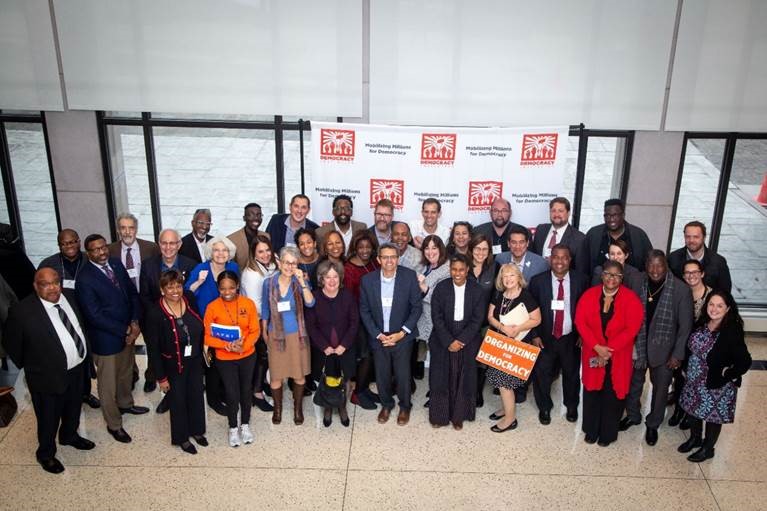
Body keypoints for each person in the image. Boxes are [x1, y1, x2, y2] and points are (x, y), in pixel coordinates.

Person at [4, 268, 95, 474]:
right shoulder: (22, 312)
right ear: (36, 286)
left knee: (73, 408)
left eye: (56, 282)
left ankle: (69, 436)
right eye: (46, 284)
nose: (53, 288)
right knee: (48, 418)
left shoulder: (69, 297)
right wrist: (34, 366)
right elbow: (12, 344)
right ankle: (45, 454)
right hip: (46, 377)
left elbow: (80, 326)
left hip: (77, 369)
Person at [76, 234, 147, 443]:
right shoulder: (84, 278)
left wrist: (135, 322)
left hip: (128, 333)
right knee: (107, 385)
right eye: (95, 249)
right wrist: (125, 330)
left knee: (125, 373)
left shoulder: (115, 263)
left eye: (103, 247)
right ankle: (114, 424)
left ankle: (126, 404)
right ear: (88, 253)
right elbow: (94, 315)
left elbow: (132, 294)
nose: (101, 252)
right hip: (106, 340)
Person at [620, 250, 693, 446]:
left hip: (665, 349)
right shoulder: (636, 281)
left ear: (666, 266)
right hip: (638, 344)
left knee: (661, 390)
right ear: (645, 266)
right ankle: (633, 415)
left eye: (659, 265)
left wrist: (677, 354)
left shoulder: (681, 289)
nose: (655, 270)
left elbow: (685, 327)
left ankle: (653, 424)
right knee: (633, 384)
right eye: (651, 265)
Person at [575, 260, 643, 446]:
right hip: (593, 352)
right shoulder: (589, 295)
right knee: (592, 392)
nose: (611, 278)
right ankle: (591, 430)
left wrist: (607, 351)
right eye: (607, 274)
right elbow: (580, 322)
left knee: (612, 396)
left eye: (616, 275)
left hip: (618, 356)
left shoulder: (631, 299)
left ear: (622, 278)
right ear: (602, 275)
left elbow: (632, 329)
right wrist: (597, 347)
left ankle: (607, 434)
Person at [677, 290, 751, 462]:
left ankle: (708, 448)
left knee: (712, 416)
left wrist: (729, 374)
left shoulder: (732, 330)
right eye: (711, 304)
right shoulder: (702, 322)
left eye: (719, 306)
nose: (714, 309)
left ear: (727, 309)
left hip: (716, 384)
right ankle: (695, 438)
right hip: (693, 381)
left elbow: (745, 361)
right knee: (693, 410)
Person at [143, 269, 207, 454]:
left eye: (178, 286)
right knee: (178, 400)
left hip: (195, 360)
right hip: (173, 364)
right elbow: (153, 349)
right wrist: (161, 378)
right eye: (170, 287)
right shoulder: (155, 313)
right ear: (162, 290)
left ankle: (197, 431)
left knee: (196, 395)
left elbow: (199, 324)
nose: (175, 291)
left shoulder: (189, 298)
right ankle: (181, 438)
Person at [359, 243, 422, 426]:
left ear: (398, 258)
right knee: (382, 374)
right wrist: (378, 334)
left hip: (402, 336)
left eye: (393, 257)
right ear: (379, 259)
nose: (389, 261)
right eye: (385, 257)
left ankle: (405, 406)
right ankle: (386, 404)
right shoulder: (367, 280)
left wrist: (402, 333)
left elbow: (416, 308)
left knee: (403, 374)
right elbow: (364, 310)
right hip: (379, 337)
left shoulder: (409, 277)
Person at [38, 228, 99, 409]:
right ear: (59, 245)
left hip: (88, 315)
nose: (69, 246)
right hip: (62, 316)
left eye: (72, 242)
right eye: (64, 244)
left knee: (85, 355)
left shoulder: (89, 259)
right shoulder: (48, 265)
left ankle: (85, 393)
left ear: (79, 242)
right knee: (67, 354)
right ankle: (68, 394)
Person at [528, 244, 589, 424]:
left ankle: (571, 405)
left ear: (570, 260)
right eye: (555, 257)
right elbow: (530, 310)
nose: (559, 261)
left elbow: (587, 310)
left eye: (564, 257)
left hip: (571, 337)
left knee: (571, 373)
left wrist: (583, 334)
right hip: (544, 337)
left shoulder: (581, 280)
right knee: (542, 373)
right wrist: (534, 335)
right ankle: (544, 407)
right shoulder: (538, 281)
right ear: (550, 259)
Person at [428, 254, 485, 430]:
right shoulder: (441, 288)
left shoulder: (477, 290)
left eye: (461, 270)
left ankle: (459, 416)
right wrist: (448, 341)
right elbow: (436, 317)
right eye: (454, 269)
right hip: (442, 336)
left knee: (464, 378)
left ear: (467, 270)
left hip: (468, 337)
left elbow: (477, 319)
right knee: (440, 377)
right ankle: (439, 416)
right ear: (450, 270)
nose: (457, 273)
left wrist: (461, 340)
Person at [204, 271, 260, 447]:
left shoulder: (248, 304)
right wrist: (225, 345)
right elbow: (207, 337)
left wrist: (244, 346)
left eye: (231, 288)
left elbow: (255, 330)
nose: (227, 292)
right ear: (218, 288)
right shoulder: (212, 307)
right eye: (223, 289)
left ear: (237, 286)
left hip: (247, 355)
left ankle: (245, 424)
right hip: (224, 358)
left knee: (246, 390)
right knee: (231, 392)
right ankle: (233, 427)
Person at [260, 247, 315, 425]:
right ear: (279, 262)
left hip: (297, 335)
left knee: (298, 375)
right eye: (286, 262)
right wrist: (264, 329)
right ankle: (277, 409)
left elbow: (310, 303)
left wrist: (303, 282)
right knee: (276, 375)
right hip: (275, 334)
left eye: (293, 263)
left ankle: (298, 408)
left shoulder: (299, 282)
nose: (289, 266)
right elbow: (265, 309)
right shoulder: (268, 283)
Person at [185, 236, 239, 416]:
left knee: (226, 360)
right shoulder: (201, 269)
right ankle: (213, 399)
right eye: (216, 250)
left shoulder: (233, 268)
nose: (220, 253)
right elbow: (187, 292)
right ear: (210, 252)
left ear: (229, 253)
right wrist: (199, 282)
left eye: (224, 250)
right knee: (211, 363)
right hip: (205, 325)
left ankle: (224, 393)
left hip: (227, 325)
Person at [139, 228, 197, 395]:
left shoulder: (191, 264)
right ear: (159, 244)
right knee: (157, 352)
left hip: (181, 320)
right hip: (158, 321)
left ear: (179, 244)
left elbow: (191, 296)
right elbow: (144, 296)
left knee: (181, 355)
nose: (168, 247)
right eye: (164, 243)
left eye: (172, 243)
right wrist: (159, 315)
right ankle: (155, 378)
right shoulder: (148, 265)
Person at [485, 263, 541, 432]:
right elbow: (490, 316)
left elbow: (537, 319)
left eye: (512, 275)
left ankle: (510, 420)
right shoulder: (499, 295)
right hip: (499, 343)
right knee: (500, 381)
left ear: (518, 278)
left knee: (505, 384)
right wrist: (503, 327)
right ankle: (506, 409)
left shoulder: (526, 296)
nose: (508, 279)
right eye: (505, 276)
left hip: (516, 345)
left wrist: (517, 329)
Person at [305, 260, 358, 427]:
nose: (332, 280)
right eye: (328, 277)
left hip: (344, 348)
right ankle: (327, 407)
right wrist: (324, 346)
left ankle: (342, 407)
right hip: (323, 350)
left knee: (344, 379)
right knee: (326, 379)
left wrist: (344, 345)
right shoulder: (314, 297)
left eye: (335, 276)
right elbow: (311, 326)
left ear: (340, 278)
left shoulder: (348, 296)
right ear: (321, 279)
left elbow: (354, 323)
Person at [668, 259, 713, 428]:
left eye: (695, 272)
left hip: (701, 349)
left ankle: (690, 414)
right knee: (679, 378)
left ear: (702, 274)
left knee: (695, 381)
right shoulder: (679, 292)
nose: (691, 275)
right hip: (681, 344)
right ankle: (679, 410)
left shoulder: (711, 296)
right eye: (687, 273)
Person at [240, 234, 278, 412]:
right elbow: (256, 305)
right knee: (261, 358)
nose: (265, 254)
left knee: (268, 356)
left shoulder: (271, 264)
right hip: (256, 321)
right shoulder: (252, 274)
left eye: (267, 250)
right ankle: (256, 393)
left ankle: (263, 383)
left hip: (269, 317)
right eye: (260, 252)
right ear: (253, 254)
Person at [343, 230, 380, 410]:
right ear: (355, 248)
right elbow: (348, 300)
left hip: (374, 317)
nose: (365, 250)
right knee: (365, 355)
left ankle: (364, 388)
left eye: (368, 247)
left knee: (373, 354)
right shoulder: (348, 268)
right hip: (358, 319)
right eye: (361, 247)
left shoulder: (374, 263)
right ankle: (357, 393)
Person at [583, 198, 653, 278]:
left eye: (615, 215)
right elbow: (583, 264)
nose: (611, 219)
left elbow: (650, 263)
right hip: (599, 284)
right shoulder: (593, 234)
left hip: (631, 284)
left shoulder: (638, 235)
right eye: (607, 215)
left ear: (623, 215)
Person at [415, 235, 451, 385]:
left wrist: (424, 287)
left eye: (434, 248)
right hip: (424, 319)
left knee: (440, 358)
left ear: (441, 249)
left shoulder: (447, 269)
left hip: (438, 321)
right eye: (427, 248)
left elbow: (444, 299)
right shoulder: (425, 266)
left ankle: (440, 390)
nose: (430, 252)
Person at [468, 233, 495, 408]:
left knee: (482, 358)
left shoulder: (495, 267)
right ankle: (466, 389)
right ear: (471, 249)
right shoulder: (463, 266)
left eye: (485, 249)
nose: (481, 252)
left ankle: (478, 391)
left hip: (486, 322)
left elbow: (497, 294)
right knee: (467, 356)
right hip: (465, 322)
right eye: (477, 248)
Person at [668, 221, 732, 292]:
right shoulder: (673, 259)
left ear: (704, 238)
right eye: (688, 237)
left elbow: (725, 292)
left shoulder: (718, 262)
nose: (691, 240)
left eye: (696, 237)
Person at [531, 197, 587, 272]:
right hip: (538, 277)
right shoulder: (540, 230)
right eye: (553, 211)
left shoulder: (579, 238)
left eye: (560, 211)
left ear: (568, 213)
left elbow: (580, 270)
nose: (556, 214)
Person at [107, 212, 160, 292]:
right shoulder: (110, 250)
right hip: (123, 296)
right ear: (118, 230)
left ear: (136, 230)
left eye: (131, 228)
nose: (127, 232)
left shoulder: (151, 248)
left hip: (147, 295)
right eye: (123, 228)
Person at [228, 203, 270, 270]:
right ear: (244, 218)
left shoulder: (266, 236)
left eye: (259, 215)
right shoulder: (232, 239)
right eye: (251, 215)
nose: (256, 218)